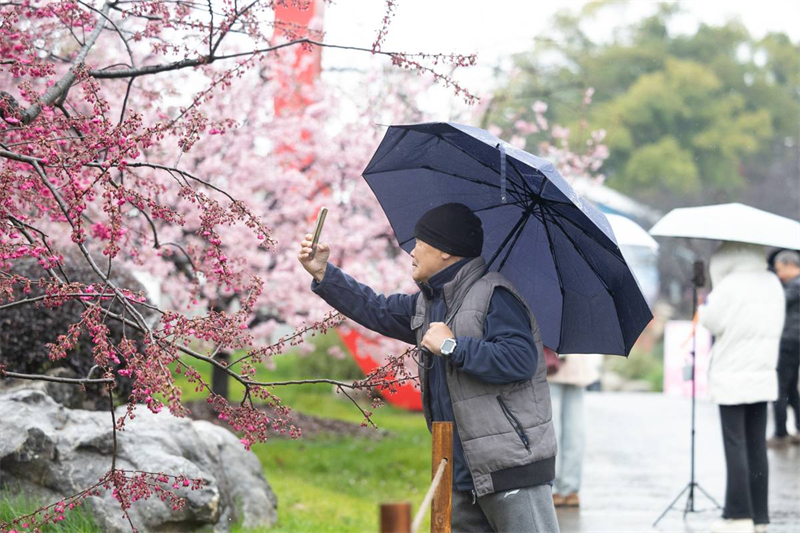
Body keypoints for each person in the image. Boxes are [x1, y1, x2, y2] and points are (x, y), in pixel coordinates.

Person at [298, 203, 559, 533]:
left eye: (421, 241)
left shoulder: (496, 296)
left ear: (446, 251)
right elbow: (375, 308)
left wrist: (453, 346)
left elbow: (520, 360)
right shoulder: (428, 303)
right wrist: (324, 273)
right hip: (458, 469)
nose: (412, 251)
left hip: (511, 468)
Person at [699, 242, 785, 533]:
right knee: (756, 445)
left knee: (734, 445)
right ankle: (759, 517)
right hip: (762, 373)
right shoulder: (773, 281)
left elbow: (709, 321)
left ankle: (738, 516)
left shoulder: (730, 285)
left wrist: (708, 297)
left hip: (732, 375)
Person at [548, 353, 602, 508]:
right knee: (554, 432)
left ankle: (567, 487)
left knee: (574, 433)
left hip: (574, 369)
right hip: (550, 367)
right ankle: (556, 487)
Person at [769, 250, 800, 447]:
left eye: (779, 270)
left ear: (791, 265)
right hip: (794, 341)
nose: (778, 274)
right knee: (790, 389)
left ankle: (780, 433)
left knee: (779, 388)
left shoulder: (795, 285)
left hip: (789, 342)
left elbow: (777, 304)